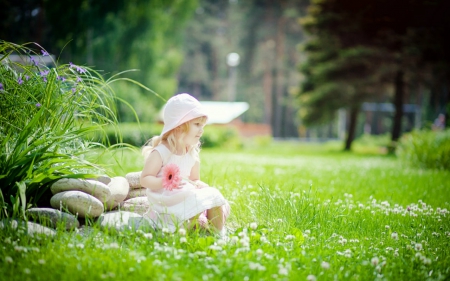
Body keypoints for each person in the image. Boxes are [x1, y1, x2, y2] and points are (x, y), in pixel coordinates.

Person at [140, 93, 230, 234]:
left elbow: (194, 180)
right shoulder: (161, 152)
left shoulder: (191, 153)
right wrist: (163, 182)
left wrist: (200, 185)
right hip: (166, 203)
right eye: (197, 124)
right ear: (179, 126)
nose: (202, 130)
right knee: (208, 198)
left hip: (185, 198)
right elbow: (145, 179)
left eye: (203, 125)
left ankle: (217, 234)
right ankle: (189, 227)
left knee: (215, 196)